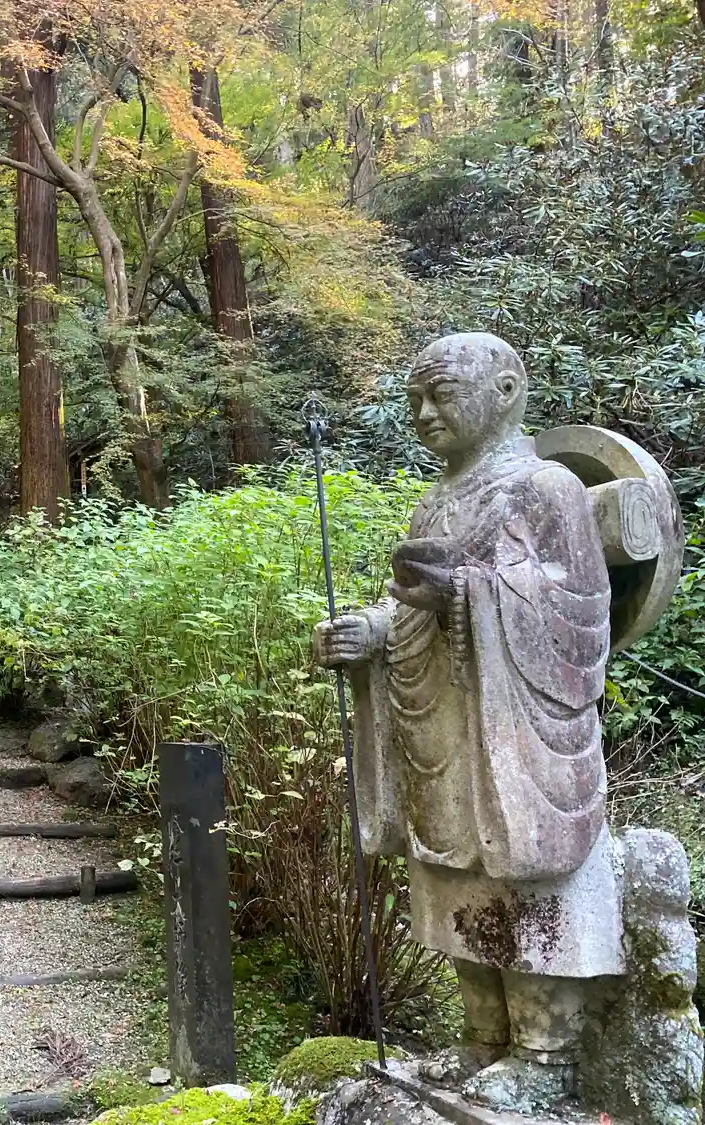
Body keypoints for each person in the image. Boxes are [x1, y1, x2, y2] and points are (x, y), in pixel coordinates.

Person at [312, 332, 620, 1113]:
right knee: (455, 880)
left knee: (528, 882)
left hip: (519, 730)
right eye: (415, 398)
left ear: (507, 390)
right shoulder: (435, 501)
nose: (423, 413)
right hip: (447, 722)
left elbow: (579, 606)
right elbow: (414, 605)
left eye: (441, 394)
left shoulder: (547, 488)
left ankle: (546, 1055)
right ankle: (483, 1036)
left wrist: (469, 593)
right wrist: (371, 631)